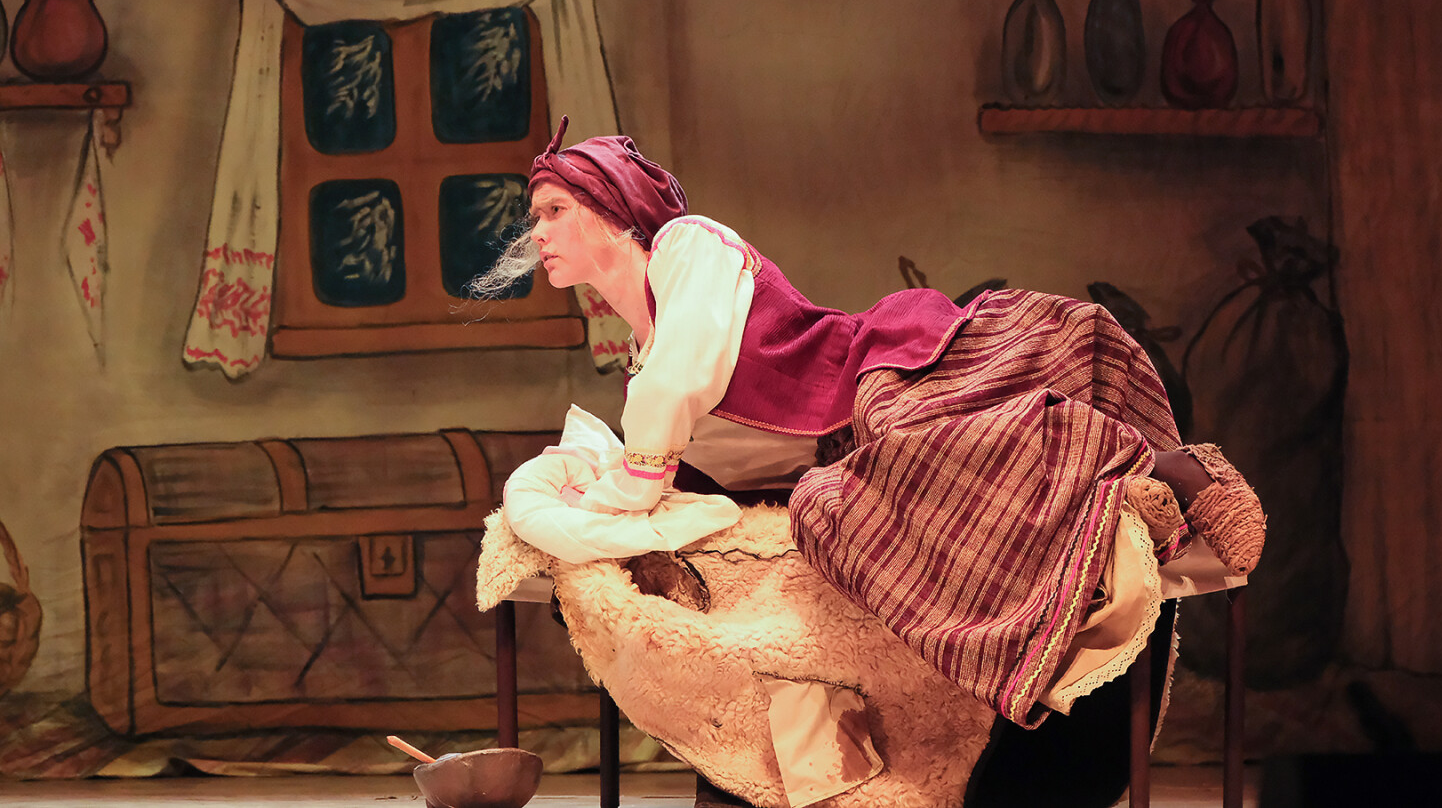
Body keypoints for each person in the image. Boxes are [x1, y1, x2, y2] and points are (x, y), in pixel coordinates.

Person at [478, 117, 1264, 795]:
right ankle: (1118, 502)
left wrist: (608, 489)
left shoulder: (688, 250)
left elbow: (675, 396)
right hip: (843, 457)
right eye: (535, 216)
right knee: (837, 514)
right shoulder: (643, 357)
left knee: (933, 452)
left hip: (876, 381)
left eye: (555, 210)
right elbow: (709, 473)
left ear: (614, 209)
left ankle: (1167, 473)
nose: (537, 233)